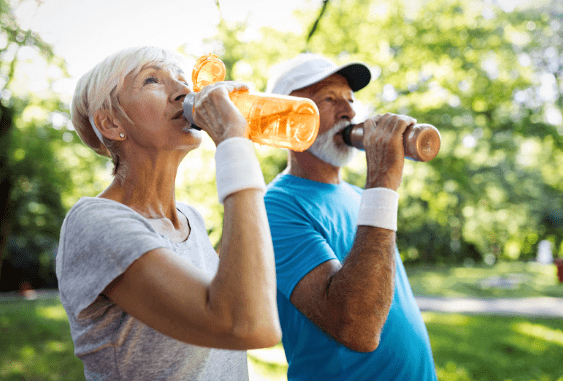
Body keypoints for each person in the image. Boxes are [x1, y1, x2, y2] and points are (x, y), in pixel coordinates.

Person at [55, 46, 281, 380]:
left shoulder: (192, 219)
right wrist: (234, 141)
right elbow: (248, 325)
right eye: (152, 80)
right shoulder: (94, 223)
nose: (185, 92)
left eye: (182, 79)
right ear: (111, 122)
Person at [264, 53, 437, 380]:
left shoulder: (362, 197)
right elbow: (358, 328)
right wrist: (383, 179)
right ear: (284, 119)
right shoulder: (276, 205)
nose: (349, 112)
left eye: (350, 99)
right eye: (329, 99)